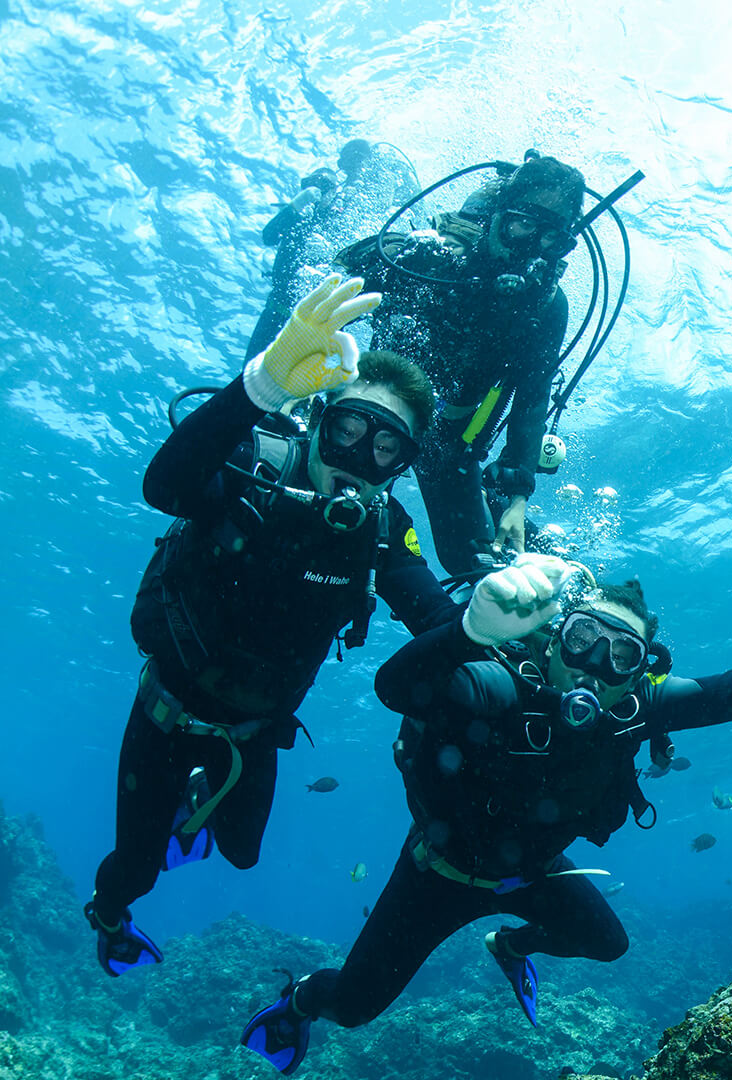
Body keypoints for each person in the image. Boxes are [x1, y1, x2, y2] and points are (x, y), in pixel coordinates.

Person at [237, 539, 732, 1074]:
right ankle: (299, 999)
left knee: (607, 945)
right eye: (584, 639)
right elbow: (397, 686)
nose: (596, 664)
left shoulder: (637, 709)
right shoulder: (496, 684)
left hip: (531, 871)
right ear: (554, 638)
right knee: (352, 1008)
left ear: (640, 672)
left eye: (622, 656)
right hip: (435, 874)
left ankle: (509, 943)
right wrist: (470, 632)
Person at [85, 276, 457, 978]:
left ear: (402, 467)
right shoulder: (254, 462)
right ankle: (109, 917)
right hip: (163, 714)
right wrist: (260, 387)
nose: (358, 452)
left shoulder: (383, 529)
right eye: (348, 426)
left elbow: (436, 620)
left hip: (256, 733)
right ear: (318, 416)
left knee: (242, 852)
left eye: (386, 448)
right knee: (134, 870)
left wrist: (492, 623)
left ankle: (199, 797)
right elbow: (165, 488)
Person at [336, 153, 586, 577]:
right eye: (522, 225)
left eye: (551, 240)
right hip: (373, 427)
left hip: (451, 445)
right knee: (340, 529)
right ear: (495, 216)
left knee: (475, 564)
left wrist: (517, 497)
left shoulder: (545, 308)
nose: (531, 248)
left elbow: (531, 398)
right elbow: (340, 283)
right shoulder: (435, 260)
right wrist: (392, 254)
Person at [248, 140, 416, 361]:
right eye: (314, 184)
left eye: (358, 160)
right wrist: (296, 205)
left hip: (323, 322)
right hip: (280, 310)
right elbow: (268, 235)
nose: (320, 190)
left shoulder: (362, 207)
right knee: (249, 381)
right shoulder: (304, 217)